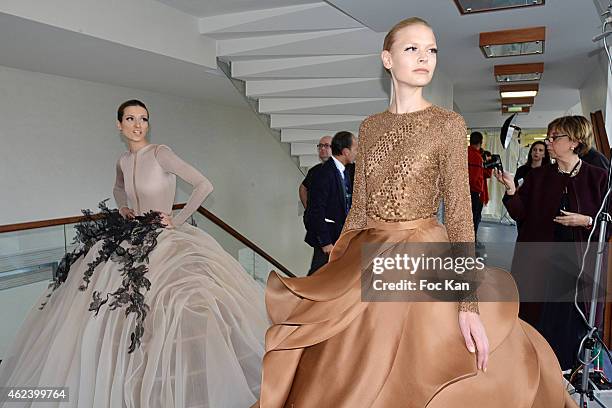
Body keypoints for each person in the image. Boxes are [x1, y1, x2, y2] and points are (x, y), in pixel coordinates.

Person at [254, 18, 576, 407]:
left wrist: (468, 303)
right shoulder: (370, 127)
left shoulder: (447, 123)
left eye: (432, 50)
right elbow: (360, 206)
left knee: (421, 368)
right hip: (369, 252)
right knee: (347, 366)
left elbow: (458, 212)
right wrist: (335, 264)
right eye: (412, 49)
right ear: (387, 59)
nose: (425, 57)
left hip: (422, 251)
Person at [0, 100, 269, 408]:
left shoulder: (160, 153)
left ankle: (193, 384)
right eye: (130, 118)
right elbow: (118, 189)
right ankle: (140, 387)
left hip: (168, 241)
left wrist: (176, 220)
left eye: (143, 118)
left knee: (180, 306)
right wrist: (123, 208)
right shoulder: (123, 161)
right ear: (119, 124)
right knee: (123, 314)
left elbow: (203, 185)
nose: (138, 124)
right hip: (132, 240)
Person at [496, 115, 607, 371]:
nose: (548, 142)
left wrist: (587, 220)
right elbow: (520, 212)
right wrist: (512, 190)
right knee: (536, 320)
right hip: (539, 263)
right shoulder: (539, 177)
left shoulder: (598, 179)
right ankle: (534, 371)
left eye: (554, 137)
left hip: (578, 267)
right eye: (548, 136)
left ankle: (570, 374)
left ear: (574, 141)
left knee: (571, 325)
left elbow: (607, 222)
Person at [304, 131, 357, 275]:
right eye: (355, 149)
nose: (356, 153)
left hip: (342, 236)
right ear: (346, 152)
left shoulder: (347, 171)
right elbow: (316, 210)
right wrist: (325, 242)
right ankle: (302, 297)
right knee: (318, 275)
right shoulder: (322, 173)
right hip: (328, 239)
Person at [299, 135, 332, 209]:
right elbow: (303, 188)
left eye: (326, 145)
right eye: (320, 146)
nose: (322, 148)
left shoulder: (345, 170)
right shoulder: (314, 171)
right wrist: (308, 210)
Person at [467, 132, 485, 246]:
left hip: (463, 191)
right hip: (474, 191)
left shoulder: (464, 153)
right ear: (480, 142)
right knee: (475, 216)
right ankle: (472, 240)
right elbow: (475, 177)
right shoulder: (477, 157)